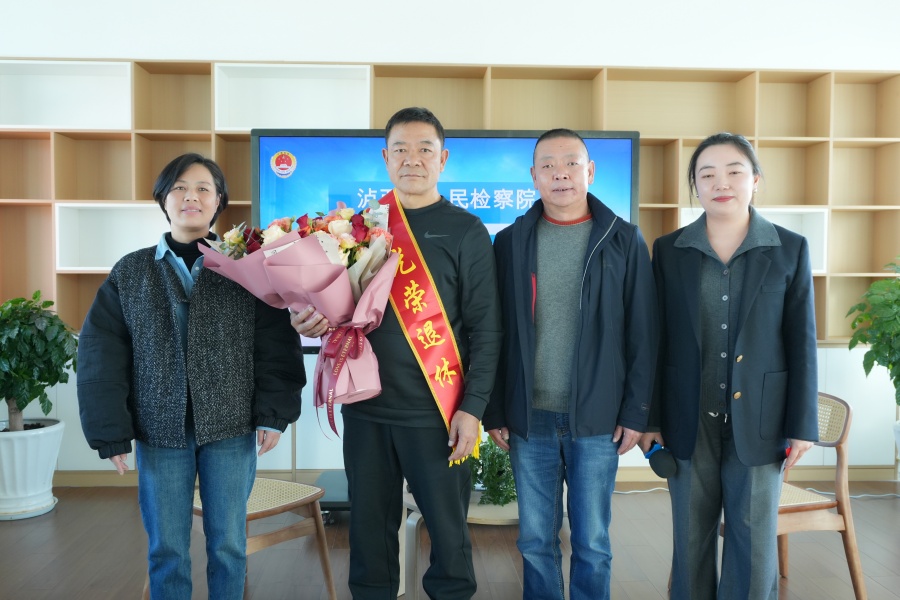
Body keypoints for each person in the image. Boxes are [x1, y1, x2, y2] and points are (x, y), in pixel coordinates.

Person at [292, 107, 502, 599]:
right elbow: (332, 308)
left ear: (443, 159)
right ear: (385, 158)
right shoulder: (354, 228)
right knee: (368, 539)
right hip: (366, 408)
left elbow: (487, 330)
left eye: (425, 149)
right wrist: (306, 319)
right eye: (401, 149)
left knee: (449, 540)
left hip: (437, 412)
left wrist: (473, 409)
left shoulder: (467, 230)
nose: (413, 159)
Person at [77, 153, 305, 600]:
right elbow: (102, 352)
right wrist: (110, 432)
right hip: (159, 430)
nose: (191, 197)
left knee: (229, 545)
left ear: (219, 201)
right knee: (166, 549)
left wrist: (273, 413)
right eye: (179, 187)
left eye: (203, 188)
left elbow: (276, 345)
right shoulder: (131, 270)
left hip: (231, 427)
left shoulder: (246, 267)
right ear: (163, 199)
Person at [639, 132, 818, 600]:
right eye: (707, 174)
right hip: (687, 416)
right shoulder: (669, 250)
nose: (722, 183)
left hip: (762, 418)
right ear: (695, 186)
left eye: (734, 172)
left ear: (754, 180)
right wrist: (650, 419)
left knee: (753, 540)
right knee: (690, 537)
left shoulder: (790, 248)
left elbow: (801, 342)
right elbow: (655, 341)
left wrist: (802, 425)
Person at [482, 128, 659, 600]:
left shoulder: (623, 239)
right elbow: (494, 333)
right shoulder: (510, 242)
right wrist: (494, 409)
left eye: (571, 163)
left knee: (593, 542)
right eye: (548, 165)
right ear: (533, 176)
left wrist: (637, 413)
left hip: (598, 419)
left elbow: (643, 335)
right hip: (529, 417)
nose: (560, 173)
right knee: (535, 541)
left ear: (590, 171)